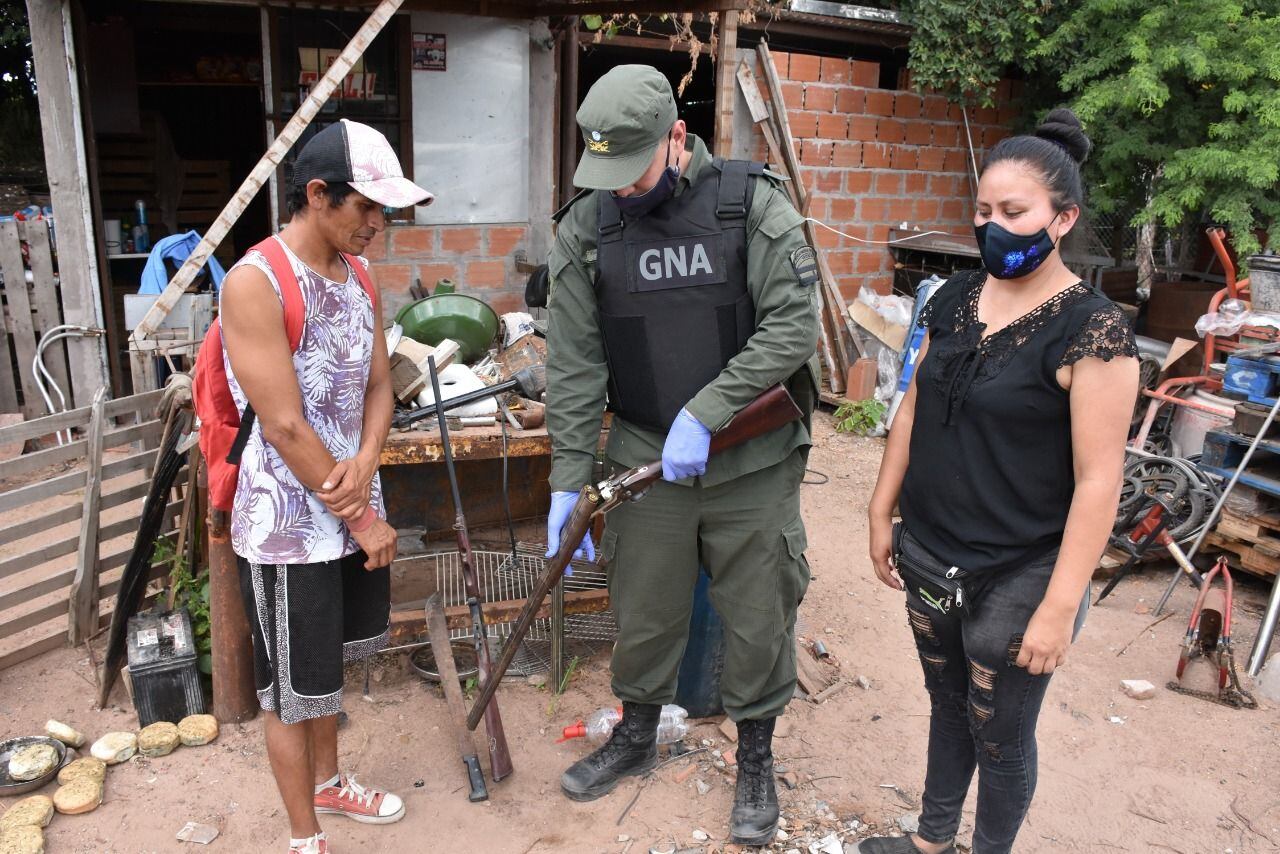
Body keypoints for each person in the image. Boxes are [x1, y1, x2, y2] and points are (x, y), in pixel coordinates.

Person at [544, 64, 820, 846]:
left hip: (751, 456)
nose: (621, 190)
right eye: (606, 173)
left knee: (760, 610)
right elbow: (574, 364)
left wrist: (707, 410)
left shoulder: (750, 205)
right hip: (642, 455)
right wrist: (570, 477)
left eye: (632, 170)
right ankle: (635, 735)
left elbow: (792, 328)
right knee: (646, 606)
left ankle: (756, 758)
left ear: (676, 135)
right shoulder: (587, 228)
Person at [858, 110, 1139, 854]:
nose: (993, 227)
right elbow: (915, 405)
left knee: (1000, 734)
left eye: (1014, 213)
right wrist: (881, 507)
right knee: (947, 705)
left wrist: (1059, 606)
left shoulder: (1094, 331)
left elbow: (1099, 479)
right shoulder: (952, 299)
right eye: (984, 211)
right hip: (932, 547)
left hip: (1021, 570)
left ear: (1062, 218)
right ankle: (930, 843)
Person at [219, 119, 433, 854]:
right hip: (287, 523)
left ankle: (330, 784)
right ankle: (304, 840)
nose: (379, 225)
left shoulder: (359, 274)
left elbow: (379, 383)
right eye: (365, 208)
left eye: (385, 212)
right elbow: (283, 426)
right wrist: (362, 516)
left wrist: (369, 458)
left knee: (326, 669)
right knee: (288, 691)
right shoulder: (257, 283)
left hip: (347, 505)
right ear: (317, 194)